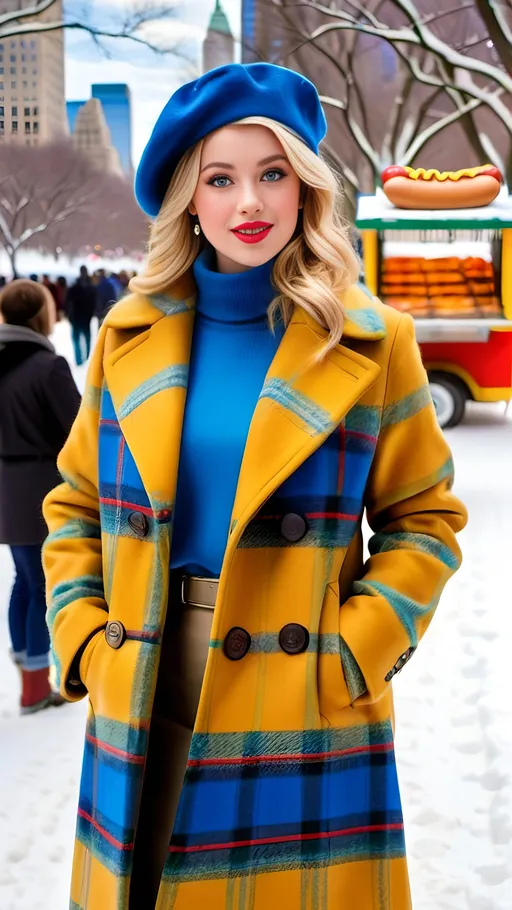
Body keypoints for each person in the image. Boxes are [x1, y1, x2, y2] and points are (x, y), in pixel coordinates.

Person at [43, 63, 467, 910]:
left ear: (306, 188)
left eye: (274, 174)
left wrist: (358, 646)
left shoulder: (375, 342)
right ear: (186, 200)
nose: (250, 203)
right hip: (146, 677)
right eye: (221, 178)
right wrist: (85, 635)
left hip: (305, 691)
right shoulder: (130, 337)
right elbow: (74, 507)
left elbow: (426, 520)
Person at [0, 280, 80, 713]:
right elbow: (78, 428)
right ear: (42, 315)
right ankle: (34, 688)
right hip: (39, 489)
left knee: (24, 580)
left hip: (5, 484)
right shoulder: (47, 367)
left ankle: (26, 672)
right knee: (42, 585)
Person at [66, 265, 96, 365]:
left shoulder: (75, 287)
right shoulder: (90, 287)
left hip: (77, 316)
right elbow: (94, 301)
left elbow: (69, 302)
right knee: (86, 338)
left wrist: (69, 315)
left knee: (77, 339)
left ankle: (79, 358)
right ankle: (85, 357)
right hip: (84, 316)